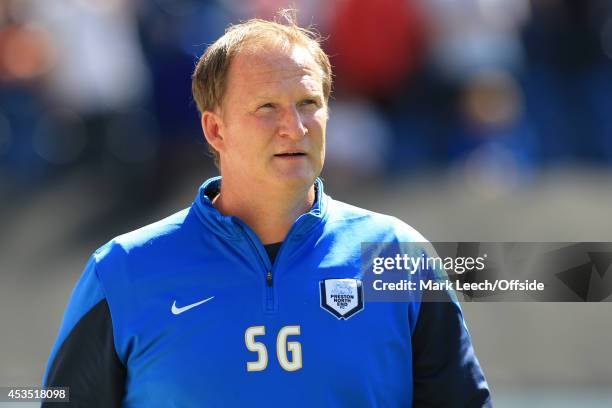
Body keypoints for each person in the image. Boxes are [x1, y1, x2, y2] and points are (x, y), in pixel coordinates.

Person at [43, 11, 491, 407]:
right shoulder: (121, 270)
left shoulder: (399, 256)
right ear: (215, 129)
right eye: (267, 108)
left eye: (308, 104)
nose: (293, 128)